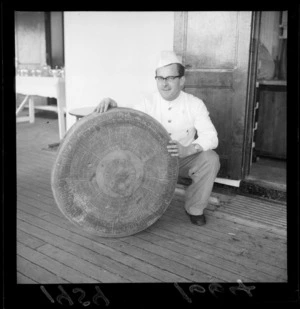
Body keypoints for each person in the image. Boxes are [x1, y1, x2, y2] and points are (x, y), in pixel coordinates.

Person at [95, 51, 220, 226]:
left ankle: (195, 208)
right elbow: (128, 116)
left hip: (182, 159)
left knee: (211, 159)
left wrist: (190, 149)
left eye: (170, 78)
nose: (164, 84)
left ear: (181, 81)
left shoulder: (194, 104)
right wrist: (112, 104)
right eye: (160, 78)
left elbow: (211, 137)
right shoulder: (147, 102)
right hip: (151, 161)